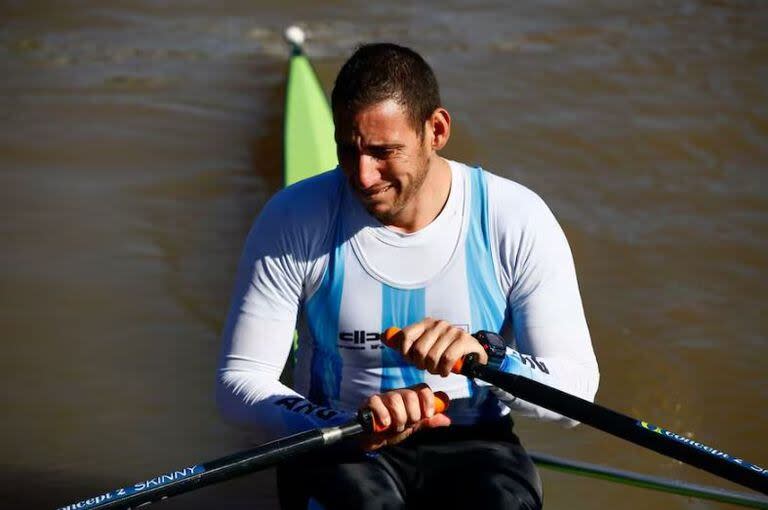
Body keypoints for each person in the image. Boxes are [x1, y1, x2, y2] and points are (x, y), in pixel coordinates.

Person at [217, 43, 599, 509]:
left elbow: (576, 390)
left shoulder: (514, 219)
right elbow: (240, 381)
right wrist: (340, 422)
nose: (362, 174)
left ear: (435, 130)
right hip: (340, 438)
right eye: (347, 149)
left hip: (474, 443)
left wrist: (490, 357)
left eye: (384, 152)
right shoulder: (295, 217)